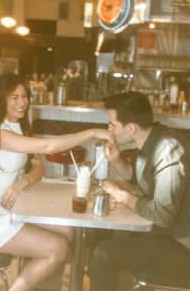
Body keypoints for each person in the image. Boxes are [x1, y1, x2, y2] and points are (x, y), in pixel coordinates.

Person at [0, 73, 110, 291]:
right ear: (1, 99)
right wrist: (93, 131)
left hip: (6, 209)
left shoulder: (18, 126)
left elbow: (39, 166)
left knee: (67, 231)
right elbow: (46, 148)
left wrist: (23, 181)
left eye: (25, 96)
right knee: (57, 248)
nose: (22, 102)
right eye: (14, 97)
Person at [89, 91, 190, 291]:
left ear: (131, 128)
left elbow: (162, 215)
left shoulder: (168, 148)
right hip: (167, 234)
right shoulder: (152, 139)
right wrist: (116, 159)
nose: (109, 130)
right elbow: (137, 177)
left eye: (112, 125)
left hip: (183, 247)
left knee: (104, 253)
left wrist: (120, 195)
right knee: (101, 234)